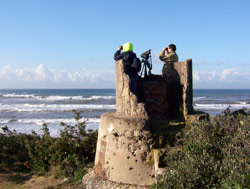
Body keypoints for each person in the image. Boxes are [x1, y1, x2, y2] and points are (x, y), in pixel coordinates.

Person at [159, 44, 182, 118]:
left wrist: (163, 51)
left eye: (168, 49)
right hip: (169, 76)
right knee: (169, 95)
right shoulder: (172, 55)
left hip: (169, 77)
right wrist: (167, 52)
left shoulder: (172, 55)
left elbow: (161, 58)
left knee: (169, 95)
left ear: (170, 49)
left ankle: (171, 113)